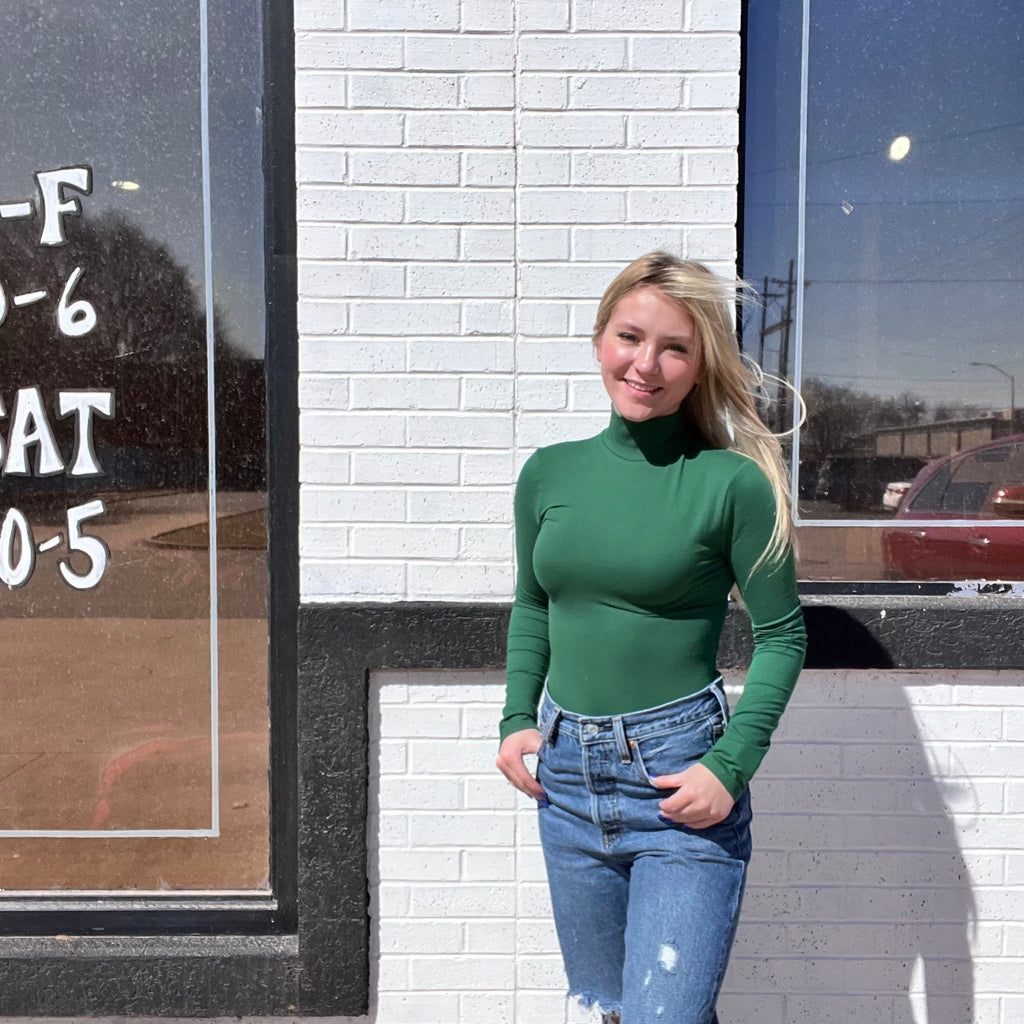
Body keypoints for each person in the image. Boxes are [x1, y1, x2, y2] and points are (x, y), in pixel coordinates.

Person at [496, 252, 806, 1024]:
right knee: (605, 1010)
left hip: (677, 780)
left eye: (675, 347)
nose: (647, 364)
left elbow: (783, 636)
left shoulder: (731, 484)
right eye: (630, 337)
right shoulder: (548, 474)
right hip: (566, 783)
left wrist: (731, 767)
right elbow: (533, 604)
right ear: (600, 339)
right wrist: (515, 718)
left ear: (701, 367)